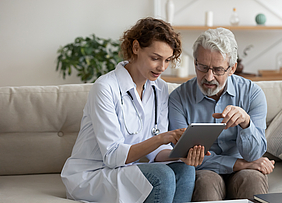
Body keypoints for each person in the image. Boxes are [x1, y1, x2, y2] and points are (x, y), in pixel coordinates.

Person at [61, 17, 206, 203]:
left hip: (127, 170)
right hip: (94, 174)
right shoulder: (105, 88)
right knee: (162, 176)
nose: (162, 67)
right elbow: (113, 156)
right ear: (136, 48)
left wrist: (181, 154)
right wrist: (163, 137)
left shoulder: (159, 88)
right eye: (155, 58)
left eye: (167, 60)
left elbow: (156, 153)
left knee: (185, 169)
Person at [168, 27, 275, 201]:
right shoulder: (178, 98)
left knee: (253, 179)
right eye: (202, 67)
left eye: (218, 70)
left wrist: (246, 123)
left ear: (232, 68)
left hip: (246, 170)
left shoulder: (252, 93)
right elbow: (184, 156)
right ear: (195, 63)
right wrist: (239, 164)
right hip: (205, 170)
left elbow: (254, 155)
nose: (209, 77)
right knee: (205, 183)